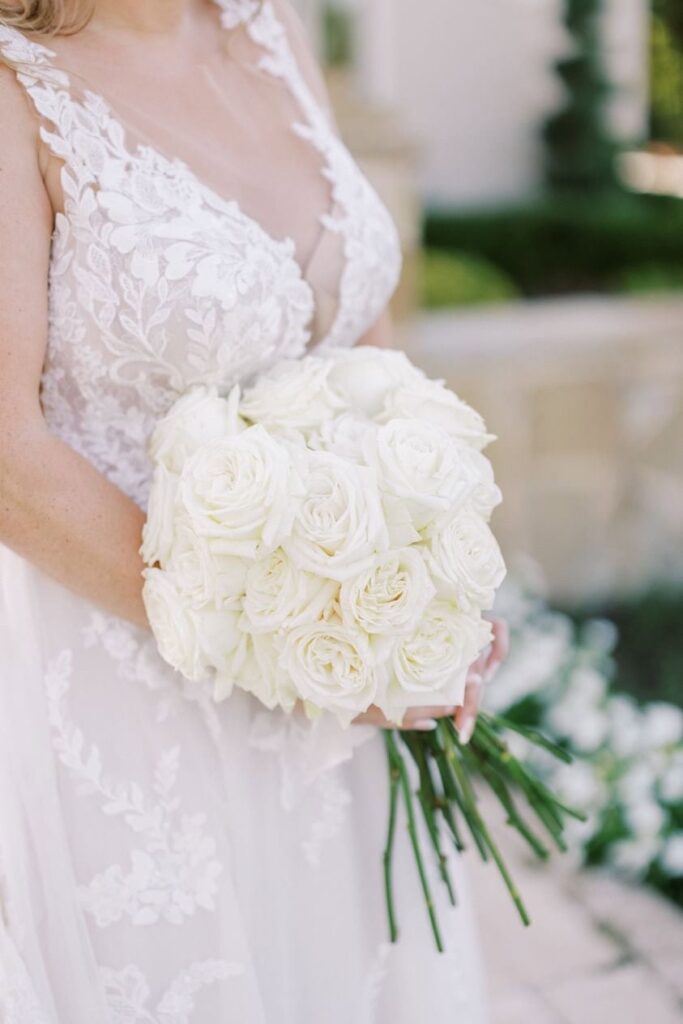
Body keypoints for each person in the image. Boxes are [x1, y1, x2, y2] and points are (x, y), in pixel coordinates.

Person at [0, 1, 508, 1019]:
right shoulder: (17, 82)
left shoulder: (269, 23)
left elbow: (348, 322)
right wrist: (291, 638)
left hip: (322, 714)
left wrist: (414, 582)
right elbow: (9, 454)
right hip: (114, 700)